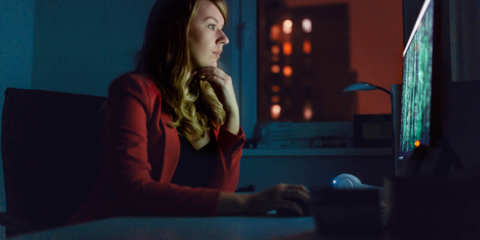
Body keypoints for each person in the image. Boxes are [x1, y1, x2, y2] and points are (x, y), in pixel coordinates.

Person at [67, 0, 310, 225]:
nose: (224, 38)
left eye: (222, 27)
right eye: (212, 26)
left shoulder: (206, 108)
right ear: (178, 30)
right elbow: (131, 191)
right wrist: (251, 201)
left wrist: (232, 115)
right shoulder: (133, 90)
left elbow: (220, 196)